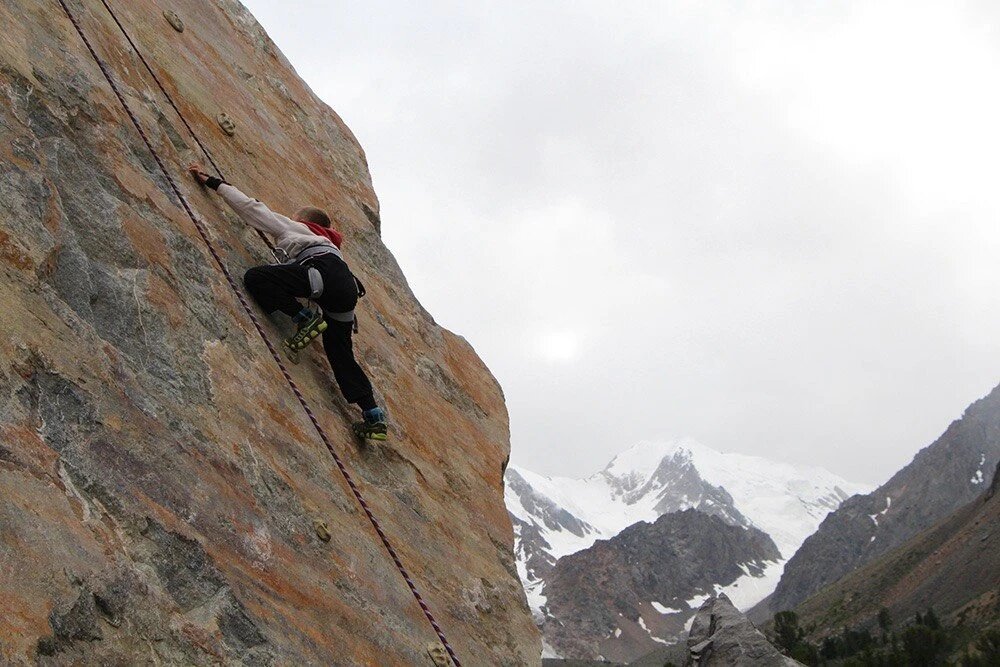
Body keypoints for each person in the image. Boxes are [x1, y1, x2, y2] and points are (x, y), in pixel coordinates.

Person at [188, 163, 387, 441]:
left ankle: (303, 320)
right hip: (344, 294)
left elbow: (253, 209)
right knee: (341, 355)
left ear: (305, 220)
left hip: (321, 278)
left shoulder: (299, 228)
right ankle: (372, 413)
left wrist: (213, 182)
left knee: (256, 277)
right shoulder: (330, 245)